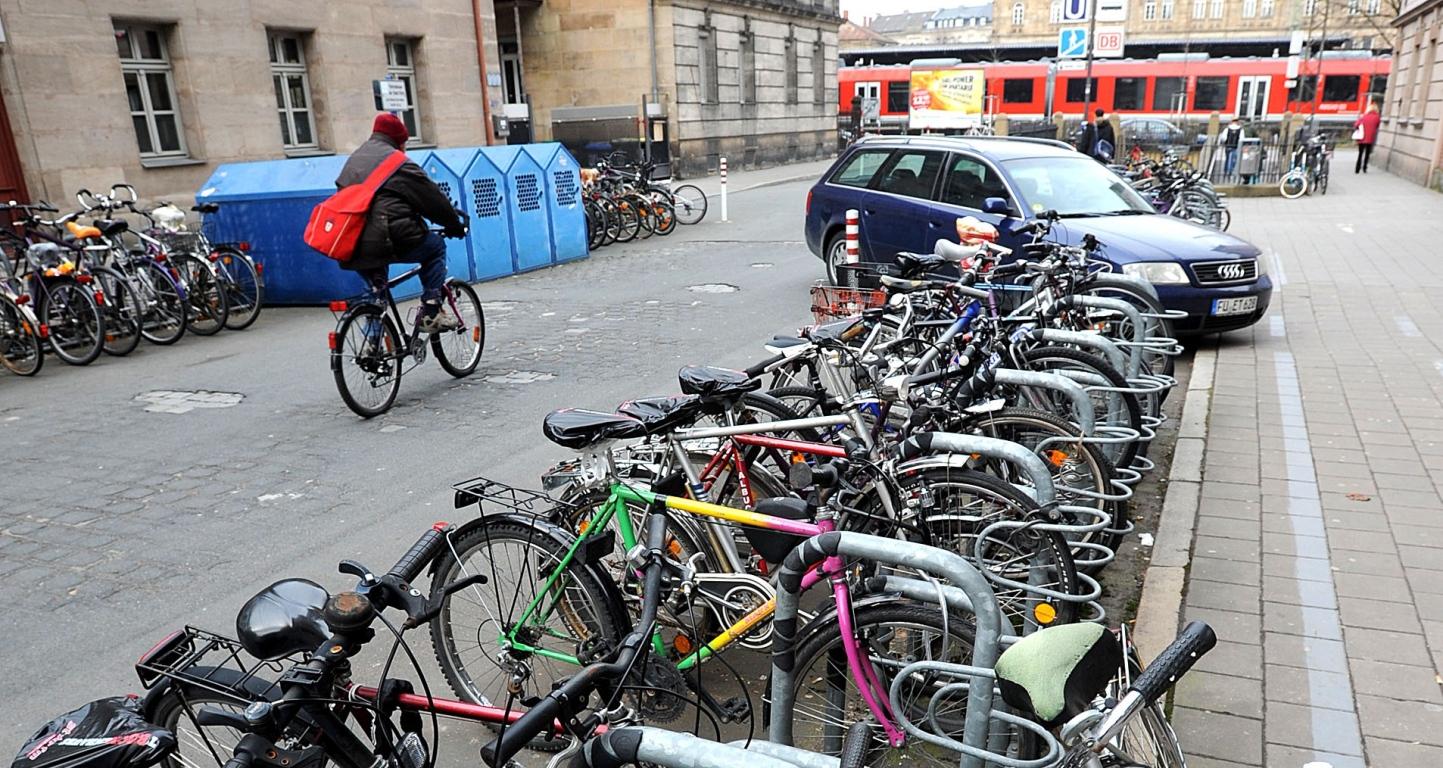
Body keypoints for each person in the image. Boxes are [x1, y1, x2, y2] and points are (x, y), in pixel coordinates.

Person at [334, 113, 467, 333]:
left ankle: (373, 349)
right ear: (399, 140)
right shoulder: (397, 163)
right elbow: (432, 199)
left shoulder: (355, 159)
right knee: (435, 247)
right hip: (387, 237)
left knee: (377, 294)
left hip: (352, 242)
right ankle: (432, 311)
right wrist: (454, 224)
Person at [1352, 100, 1381, 174]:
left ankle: (1357, 168)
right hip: (1370, 138)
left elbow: (1356, 125)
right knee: (1367, 153)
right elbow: (1377, 126)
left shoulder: (1363, 116)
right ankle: (1365, 167)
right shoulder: (1377, 117)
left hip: (1362, 137)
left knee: (1360, 153)